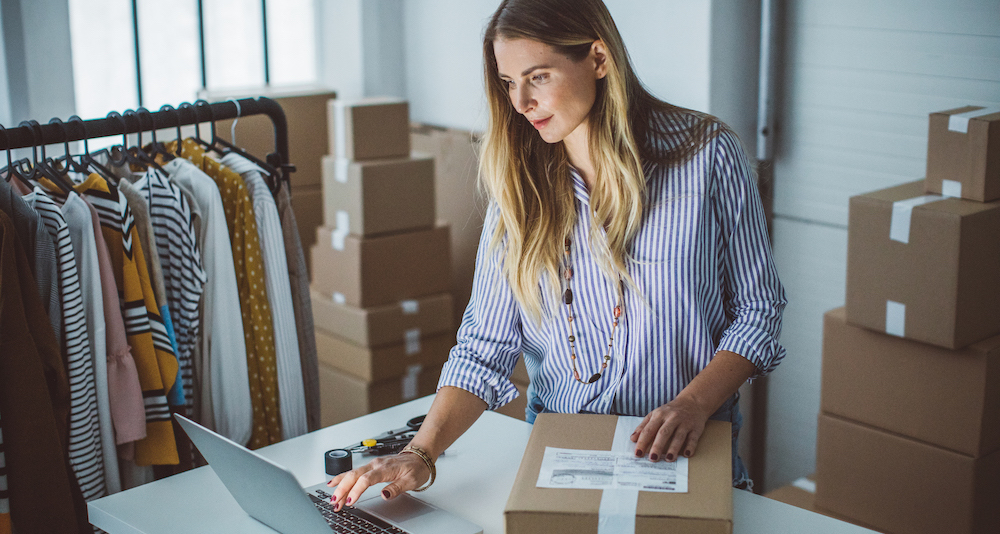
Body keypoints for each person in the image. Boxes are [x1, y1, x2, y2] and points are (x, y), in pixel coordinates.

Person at [328, 0, 786, 509]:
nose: (520, 102)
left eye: (537, 76)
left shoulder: (706, 154)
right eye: (507, 82)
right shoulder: (519, 188)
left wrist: (693, 405)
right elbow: (484, 346)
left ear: (597, 58)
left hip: (686, 454)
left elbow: (759, 310)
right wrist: (421, 454)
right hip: (562, 459)